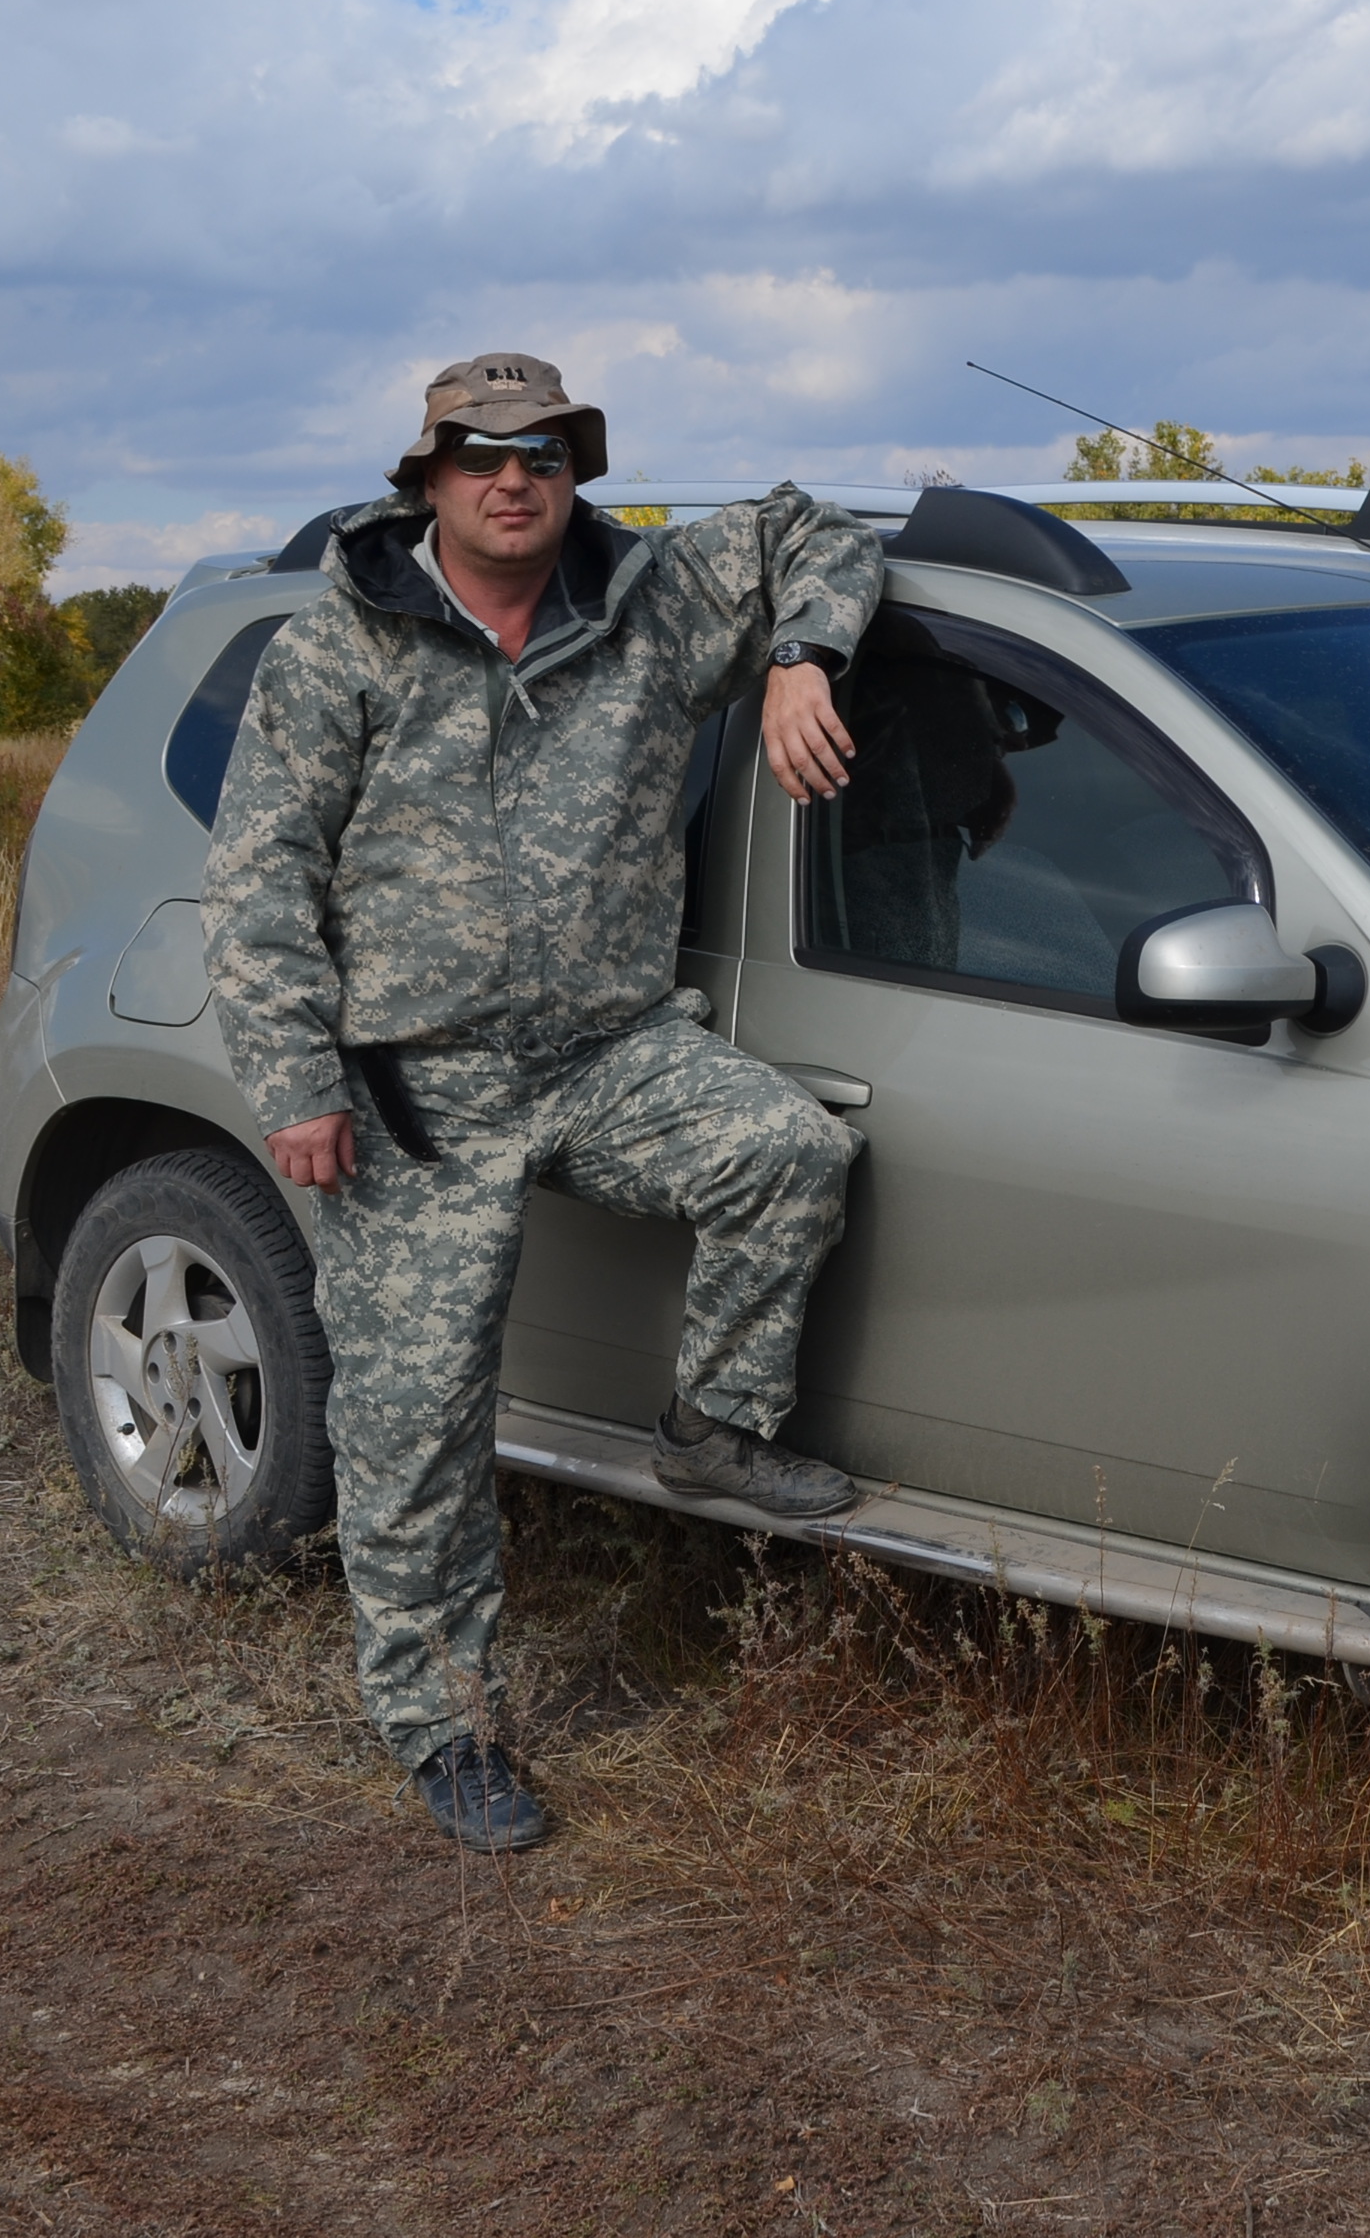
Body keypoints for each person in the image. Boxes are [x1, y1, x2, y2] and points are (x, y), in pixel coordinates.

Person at [203, 351, 880, 1853]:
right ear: (427, 477)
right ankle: (446, 1724)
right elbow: (257, 887)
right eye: (481, 455)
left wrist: (801, 657)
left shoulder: (651, 606)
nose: (515, 480)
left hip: (602, 1049)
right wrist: (298, 1082)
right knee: (418, 1420)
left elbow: (813, 528)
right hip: (414, 1083)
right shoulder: (341, 648)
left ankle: (715, 1425)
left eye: (546, 455)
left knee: (787, 1155)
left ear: (578, 471)